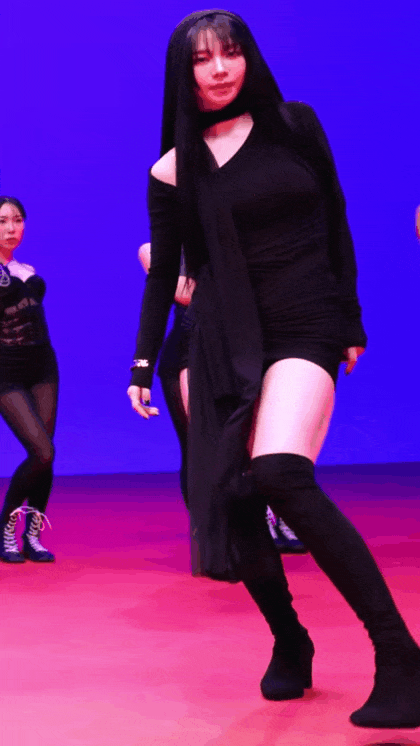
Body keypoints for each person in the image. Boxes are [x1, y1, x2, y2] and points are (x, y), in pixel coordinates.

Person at [127, 11, 420, 729]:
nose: (220, 69)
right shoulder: (172, 170)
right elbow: (164, 271)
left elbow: (336, 218)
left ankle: (400, 656)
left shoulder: (295, 124)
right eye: (204, 59)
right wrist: (141, 359)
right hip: (220, 337)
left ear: (249, 58)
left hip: (305, 322)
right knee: (231, 496)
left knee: (281, 472)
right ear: (183, 73)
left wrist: (350, 318)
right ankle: (289, 638)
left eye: (231, 53)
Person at [138, 241, 306, 551]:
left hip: (244, 349)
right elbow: (185, 294)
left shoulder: (235, 240)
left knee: (257, 442)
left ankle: (272, 515)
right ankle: (210, 532)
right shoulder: (153, 249)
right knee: (198, 448)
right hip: (189, 350)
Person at [0, 197, 56, 563]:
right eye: (2, 221)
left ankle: (32, 535)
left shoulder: (26, 268)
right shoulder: (14, 274)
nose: (11, 228)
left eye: (17, 220)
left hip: (42, 365)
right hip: (6, 369)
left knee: (46, 455)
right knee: (42, 451)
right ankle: (6, 526)